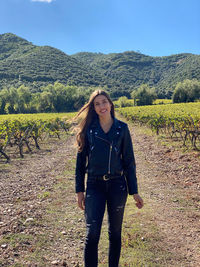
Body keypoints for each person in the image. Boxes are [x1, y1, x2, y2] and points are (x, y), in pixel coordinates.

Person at [75, 89, 144, 267]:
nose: (101, 106)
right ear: (93, 107)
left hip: (117, 185)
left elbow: (129, 162)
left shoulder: (122, 128)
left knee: (115, 233)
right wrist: (79, 191)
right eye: (97, 104)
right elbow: (80, 162)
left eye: (104, 102)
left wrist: (134, 191)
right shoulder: (89, 130)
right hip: (94, 185)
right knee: (92, 234)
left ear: (110, 104)